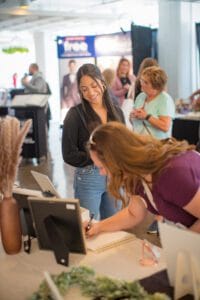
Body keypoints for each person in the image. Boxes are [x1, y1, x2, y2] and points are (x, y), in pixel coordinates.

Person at [85, 121, 200, 237]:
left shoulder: (172, 173)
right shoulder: (134, 174)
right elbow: (133, 213)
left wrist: (180, 250)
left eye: (102, 167)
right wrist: (99, 226)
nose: (101, 173)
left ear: (117, 160)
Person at [62, 63, 125, 220]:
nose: (90, 92)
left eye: (93, 85)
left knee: (113, 227)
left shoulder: (117, 112)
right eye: (84, 89)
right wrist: (97, 158)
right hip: (88, 178)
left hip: (115, 178)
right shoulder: (75, 114)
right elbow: (68, 154)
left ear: (102, 82)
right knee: (89, 228)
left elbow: (123, 145)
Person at [130, 66, 175, 140]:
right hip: (139, 143)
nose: (141, 84)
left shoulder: (164, 99)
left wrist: (147, 116)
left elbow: (165, 127)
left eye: (146, 82)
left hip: (158, 146)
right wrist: (133, 116)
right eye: (142, 80)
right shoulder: (141, 96)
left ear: (155, 86)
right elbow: (134, 122)